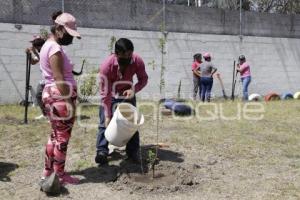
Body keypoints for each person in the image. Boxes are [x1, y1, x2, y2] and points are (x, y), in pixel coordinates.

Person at [40, 12, 81, 185]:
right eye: (68, 34)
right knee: (62, 138)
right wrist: (70, 102)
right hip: (60, 96)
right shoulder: (55, 48)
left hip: (51, 95)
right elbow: (59, 78)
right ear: (58, 29)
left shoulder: (47, 45)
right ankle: (60, 175)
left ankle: (48, 172)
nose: (70, 39)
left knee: (55, 136)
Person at [95, 38, 148, 165]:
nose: (129, 57)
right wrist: (108, 115)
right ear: (116, 53)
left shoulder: (137, 61)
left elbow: (143, 79)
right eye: (125, 55)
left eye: (130, 54)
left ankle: (133, 152)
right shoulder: (106, 67)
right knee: (104, 123)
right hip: (111, 94)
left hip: (128, 94)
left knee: (132, 123)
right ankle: (102, 151)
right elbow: (105, 92)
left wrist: (134, 90)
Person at [25, 35, 47, 119]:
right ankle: (45, 114)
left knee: (49, 98)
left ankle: (53, 116)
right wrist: (29, 55)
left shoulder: (46, 51)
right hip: (44, 79)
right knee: (38, 96)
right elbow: (33, 62)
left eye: (34, 44)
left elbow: (42, 58)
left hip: (51, 79)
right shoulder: (39, 52)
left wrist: (34, 52)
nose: (32, 46)